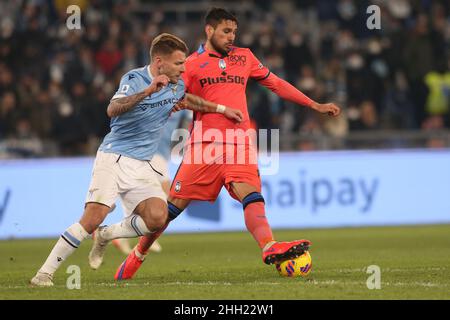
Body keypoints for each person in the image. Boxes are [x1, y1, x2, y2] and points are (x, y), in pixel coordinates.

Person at [93, 8, 341, 281]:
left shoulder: (245, 57)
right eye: (226, 31)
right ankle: (138, 254)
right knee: (170, 210)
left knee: (252, 195)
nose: (232, 37)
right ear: (209, 31)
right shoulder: (190, 64)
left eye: (234, 31)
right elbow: (172, 96)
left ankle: (269, 246)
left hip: (239, 142)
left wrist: (314, 104)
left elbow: (276, 84)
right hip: (204, 145)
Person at [30, 33, 243, 287]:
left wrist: (221, 109)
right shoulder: (134, 79)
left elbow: (187, 101)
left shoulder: (177, 85)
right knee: (92, 217)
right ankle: (44, 274)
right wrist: (148, 91)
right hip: (114, 157)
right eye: (178, 63)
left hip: (142, 163)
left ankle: (107, 235)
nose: (183, 68)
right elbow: (113, 109)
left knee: (157, 217)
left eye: (184, 63)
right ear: (159, 62)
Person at [110, 109, 192, 255]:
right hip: (151, 152)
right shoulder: (157, 97)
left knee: (151, 198)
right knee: (166, 197)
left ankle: (125, 236)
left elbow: (188, 126)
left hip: (162, 153)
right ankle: (143, 236)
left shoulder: (184, 103)